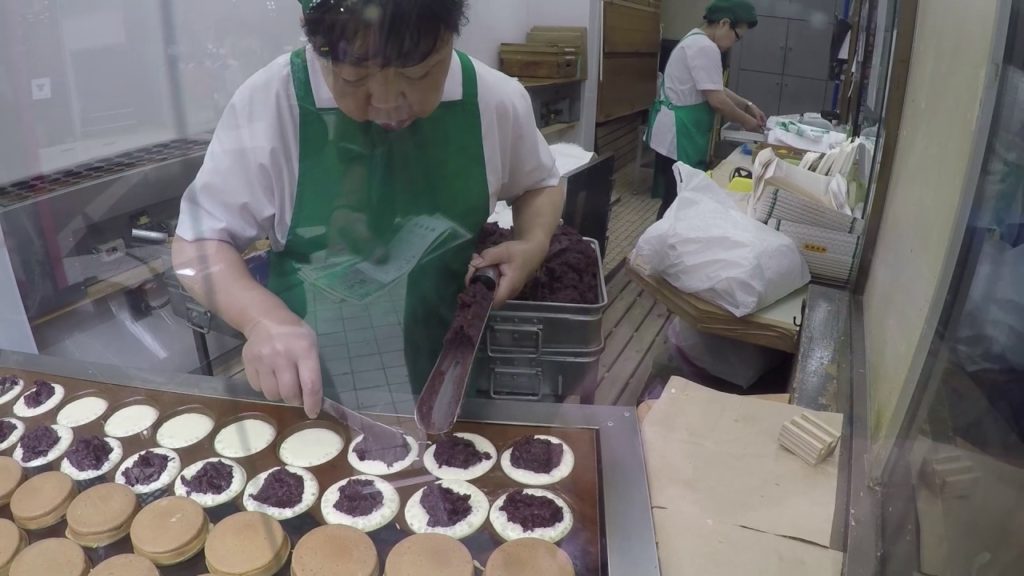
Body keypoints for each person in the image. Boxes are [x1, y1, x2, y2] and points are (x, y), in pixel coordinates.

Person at [171, 0, 564, 417]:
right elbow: (199, 241)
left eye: (418, 73)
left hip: (453, 378)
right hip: (313, 397)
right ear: (315, 42)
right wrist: (260, 319)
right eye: (354, 78)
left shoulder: (494, 99)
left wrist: (533, 243)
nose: (389, 101)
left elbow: (539, 184)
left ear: (451, 34)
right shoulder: (271, 103)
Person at [647, 0, 766, 219]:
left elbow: (715, 87)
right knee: (677, 202)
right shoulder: (705, 47)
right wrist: (748, 123)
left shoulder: (695, 38)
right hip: (679, 135)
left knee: (676, 198)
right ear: (724, 23)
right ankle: (659, 248)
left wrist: (748, 106)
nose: (733, 44)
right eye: (737, 37)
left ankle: (663, 244)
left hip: (676, 132)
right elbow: (717, 101)